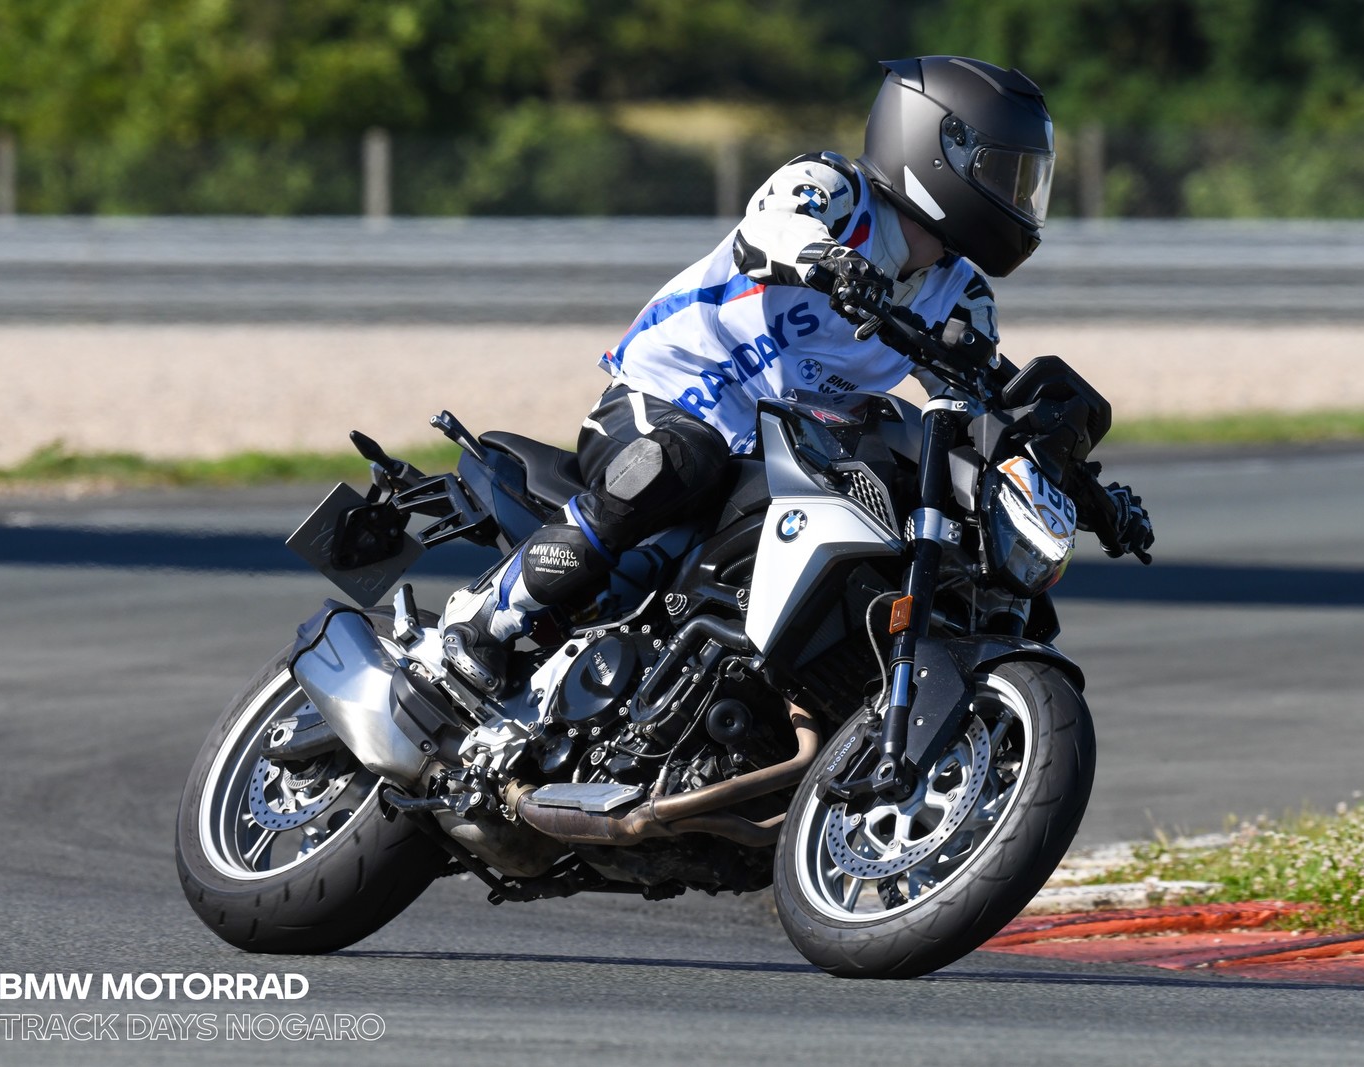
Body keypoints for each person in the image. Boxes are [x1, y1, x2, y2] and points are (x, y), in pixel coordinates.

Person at [440, 55, 1153, 694]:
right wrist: (828, 260)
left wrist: (1079, 486)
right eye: (1003, 174)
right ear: (935, 147)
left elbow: (976, 404)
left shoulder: (962, 294)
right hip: (667, 397)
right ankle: (483, 619)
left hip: (779, 450)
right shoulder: (834, 187)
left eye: (1027, 180)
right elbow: (770, 228)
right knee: (681, 460)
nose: (1019, 197)